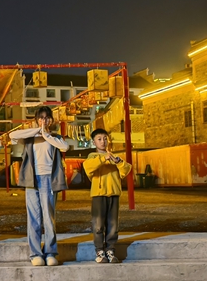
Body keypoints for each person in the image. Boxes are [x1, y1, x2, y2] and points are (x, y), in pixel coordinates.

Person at [9, 106, 69, 266]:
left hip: (49, 179)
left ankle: (50, 252)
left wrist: (46, 134)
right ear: (36, 120)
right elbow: (12, 136)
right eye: (41, 117)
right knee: (33, 218)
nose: (44, 120)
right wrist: (37, 131)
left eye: (47, 117)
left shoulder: (55, 137)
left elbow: (65, 147)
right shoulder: (30, 137)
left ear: (51, 120)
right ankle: (35, 253)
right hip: (32, 180)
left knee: (49, 218)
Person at [83, 128, 132, 263]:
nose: (103, 141)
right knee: (98, 225)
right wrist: (103, 159)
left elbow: (126, 169)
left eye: (105, 138)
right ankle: (100, 251)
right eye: (99, 139)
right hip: (99, 194)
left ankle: (110, 250)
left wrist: (118, 162)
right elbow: (88, 167)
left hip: (114, 194)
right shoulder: (92, 157)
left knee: (113, 225)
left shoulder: (114, 158)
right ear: (94, 142)